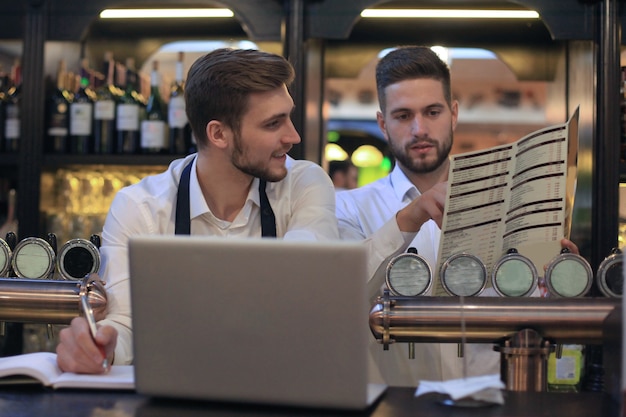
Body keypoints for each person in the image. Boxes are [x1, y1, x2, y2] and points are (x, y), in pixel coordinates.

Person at [56, 48, 339, 374]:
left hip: (281, 381)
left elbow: (305, 276)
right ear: (219, 134)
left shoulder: (305, 183)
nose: (293, 136)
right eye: (273, 123)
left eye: (288, 116)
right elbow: (127, 322)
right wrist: (100, 348)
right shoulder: (140, 207)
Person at [335, 46, 580, 387]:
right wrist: (409, 219)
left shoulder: (507, 204)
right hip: (395, 404)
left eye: (432, 112)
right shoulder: (348, 207)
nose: (419, 128)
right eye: (403, 115)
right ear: (383, 123)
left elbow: (532, 311)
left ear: (453, 114)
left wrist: (558, 280)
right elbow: (340, 301)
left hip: (491, 402)